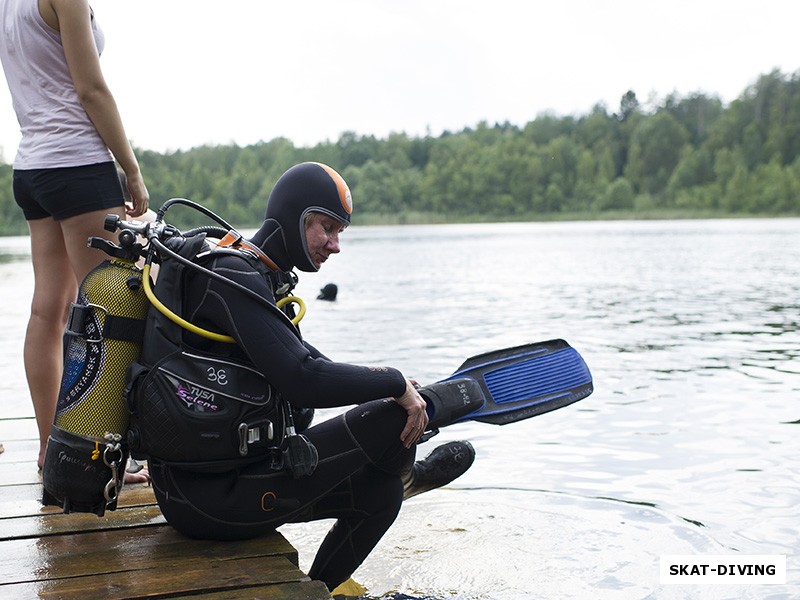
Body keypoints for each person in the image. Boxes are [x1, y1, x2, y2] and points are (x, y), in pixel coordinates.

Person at [136, 162, 474, 592]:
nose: (334, 245)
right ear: (296, 218)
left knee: (380, 496)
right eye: (326, 228)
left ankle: (318, 590)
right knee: (391, 420)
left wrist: (402, 390)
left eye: (340, 233)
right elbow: (303, 378)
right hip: (208, 501)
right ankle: (406, 464)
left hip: (224, 483)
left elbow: (313, 363)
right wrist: (395, 384)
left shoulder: (256, 276)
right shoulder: (230, 276)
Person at [0, 0, 149, 481]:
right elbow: (91, 88)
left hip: (33, 167)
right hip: (78, 164)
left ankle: (53, 451)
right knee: (117, 313)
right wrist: (132, 168)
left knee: (50, 311)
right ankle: (98, 452)